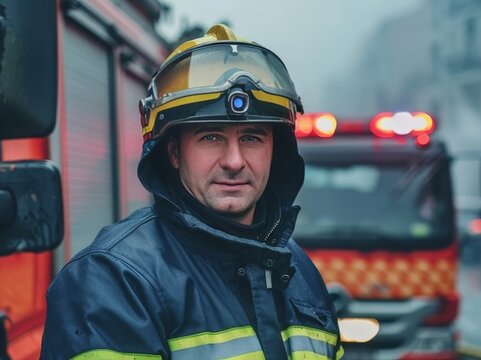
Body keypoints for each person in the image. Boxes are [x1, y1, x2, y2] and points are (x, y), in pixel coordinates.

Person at [41, 25, 344, 359]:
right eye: (210, 137)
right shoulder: (113, 281)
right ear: (173, 152)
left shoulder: (300, 270)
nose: (234, 161)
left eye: (252, 137)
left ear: (277, 150)